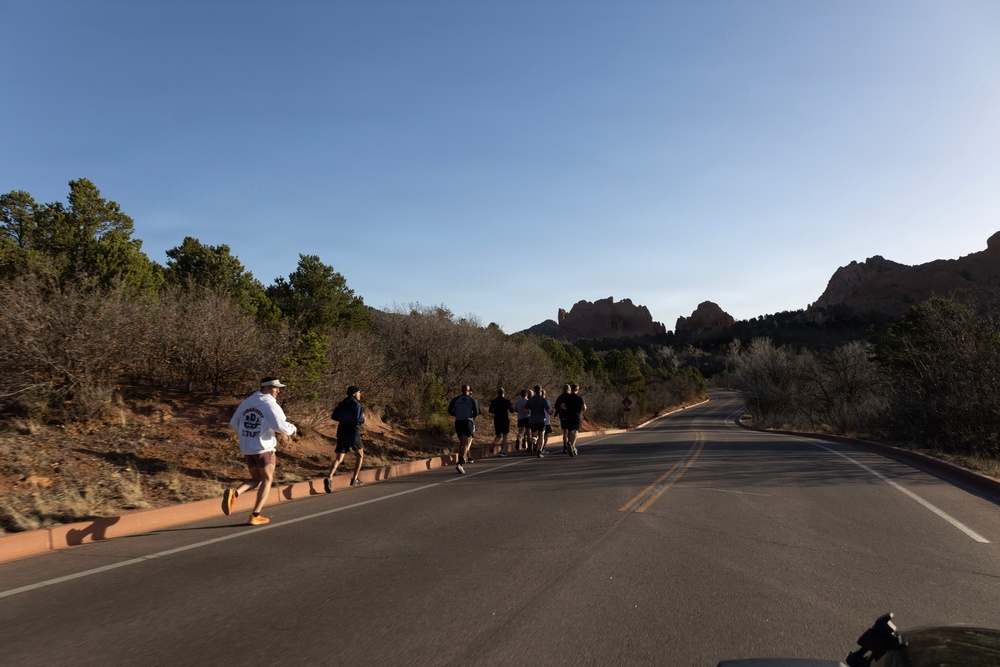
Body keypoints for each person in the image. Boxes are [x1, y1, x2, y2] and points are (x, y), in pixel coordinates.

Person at [224, 377, 298, 525]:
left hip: (247, 448)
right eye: (275, 387)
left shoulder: (247, 402)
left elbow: (234, 422)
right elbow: (280, 425)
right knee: (267, 480)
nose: (278, 391)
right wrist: (292, 429)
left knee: (256, 479)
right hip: (264, 448)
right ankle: (255, 515)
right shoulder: (270, 404)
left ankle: (235, 493)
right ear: (265, 387)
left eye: (278, 388)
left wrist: (246, 434)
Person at [325, 385, 366, 492]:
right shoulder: (357, 404)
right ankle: (354, 479)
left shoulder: (341, 403)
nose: (360, 394)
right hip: (353, 434)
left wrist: (343, 419)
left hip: (341, 433)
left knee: (338, 459)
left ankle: (330, 477)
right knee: (360, 455)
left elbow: (334, 416)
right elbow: (357, 419)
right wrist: (363, 419)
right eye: (359, 392)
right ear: (354, 393)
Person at [448, 384, 482, 474]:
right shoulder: (472, 400)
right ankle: (460, 463)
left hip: (458, 421)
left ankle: (459, 461)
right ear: (469, 390)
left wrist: (456, 413)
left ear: (461, 390)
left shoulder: (456, 399)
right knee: (466, 443)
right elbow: (477, 412)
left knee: (461, 443)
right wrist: (471, 414)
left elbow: (450, 410)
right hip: (467, 421)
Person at [525, 385, 551, 457]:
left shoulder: (530, 400)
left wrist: (529, 411)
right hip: (541, 420)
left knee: (535, 436)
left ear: (534, 390)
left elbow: (525, 410)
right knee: (542, 436)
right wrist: (551, 412)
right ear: (541, 391)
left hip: (533, 420)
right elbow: (548, 410)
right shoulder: (543, 400)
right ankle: (539, 452)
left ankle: (532, 442)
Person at [488, 387, 515, 457]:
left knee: (498, 435)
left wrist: (496, 412)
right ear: (503, 393)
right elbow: (512, 410)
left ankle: (494, 443)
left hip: (497, 419)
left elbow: (490, 410)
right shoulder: (506, 401)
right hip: (504, 419)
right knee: (505, 435)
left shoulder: (494, 401)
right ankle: (502, 451)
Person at [562, 383, 587, 457]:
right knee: (575, 431)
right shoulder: (580, 398)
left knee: (570, 431)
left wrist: (567, 408)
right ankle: (572, 445)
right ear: (577, 389)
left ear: (571, 389)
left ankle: (569, 443)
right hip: (576, 416)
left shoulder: (566, 397)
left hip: (568, 416)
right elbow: (584, 408)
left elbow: (562, 406)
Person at [553, 384, 572, 454]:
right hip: (570, 416)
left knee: (565, 432)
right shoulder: (570, 397)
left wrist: (559, 410)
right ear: (569, 389)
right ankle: (569, 444)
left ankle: (565, 446)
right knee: (570, 432)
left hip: (562, 416)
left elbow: (556, 406)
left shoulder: (560, 397)